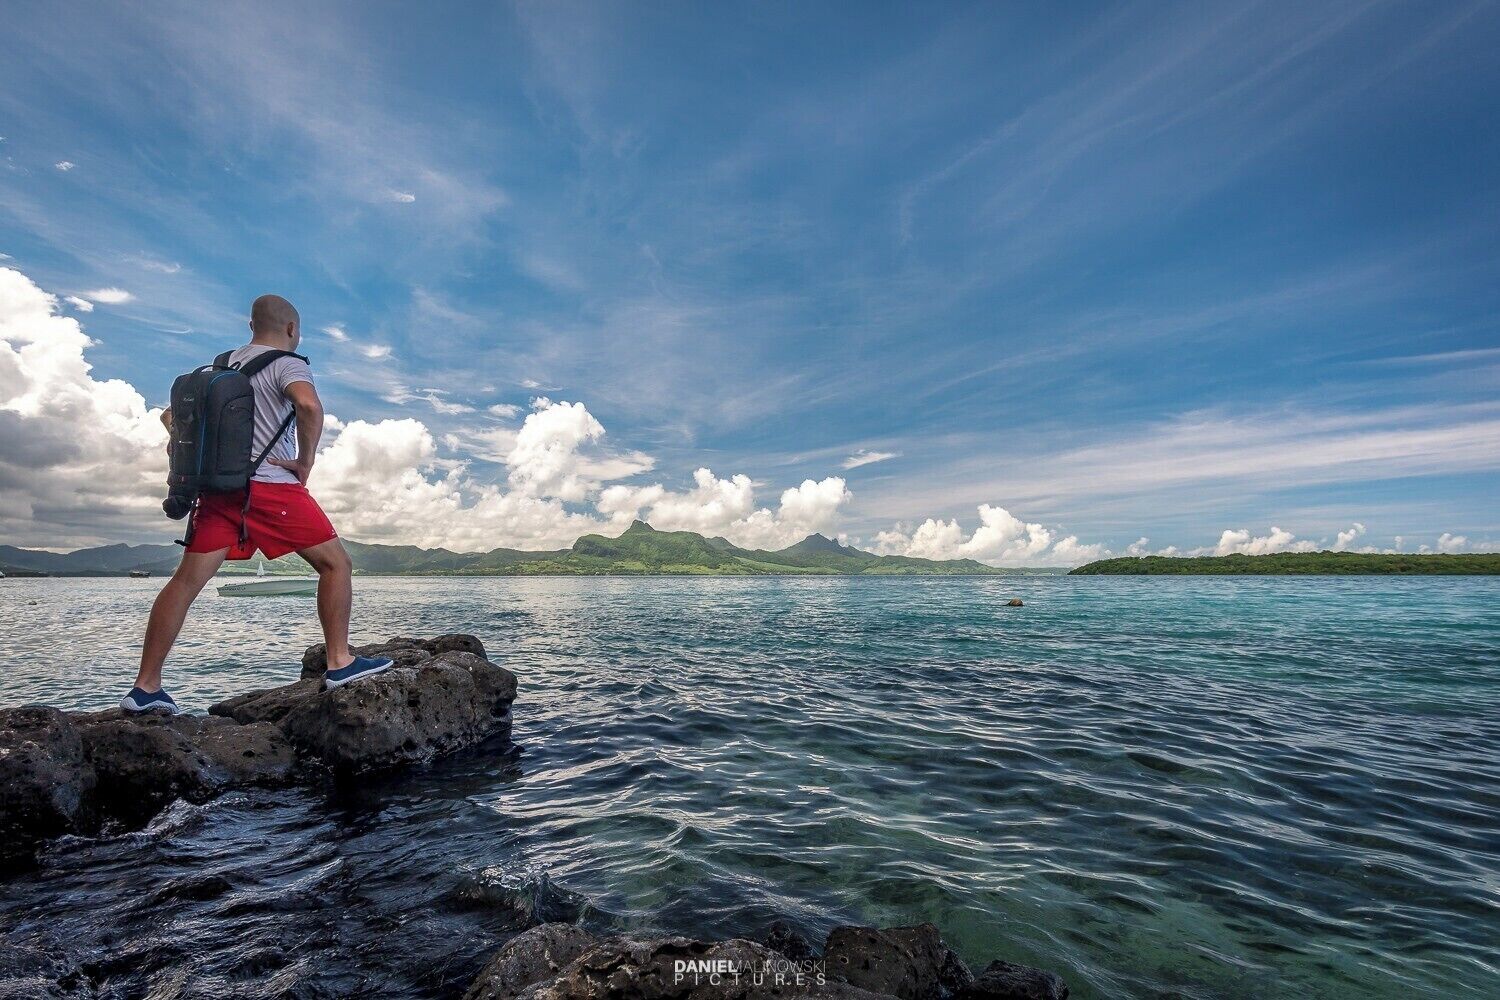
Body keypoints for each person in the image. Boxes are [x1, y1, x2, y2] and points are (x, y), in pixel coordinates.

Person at [119, 294, 392, 714]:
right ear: (291, 330)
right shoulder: (289, 363)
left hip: (217, 490)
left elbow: (170, 418)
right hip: (271, 487)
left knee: (185, 582)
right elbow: (308, 405)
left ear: (251, 327)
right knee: (336, 564)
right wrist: (305, 460)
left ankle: (145, 687)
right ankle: (340, 661)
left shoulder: (221, 367)